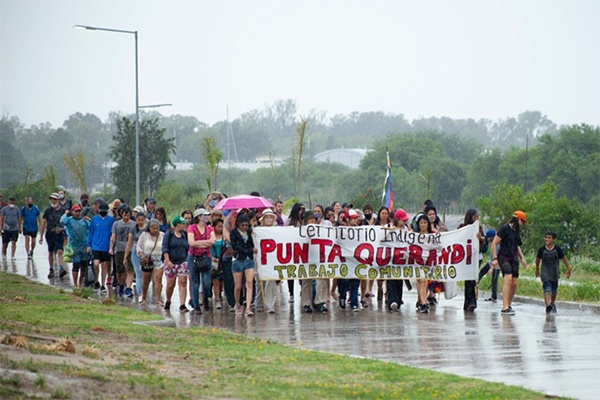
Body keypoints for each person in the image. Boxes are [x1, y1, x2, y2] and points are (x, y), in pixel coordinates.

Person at [491, 211, 528, 316]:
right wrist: (495, 258)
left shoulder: (516, 231)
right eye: (522, 221)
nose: (522, 224)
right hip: (504, 257)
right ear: (518, 220)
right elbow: (494, 242)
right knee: (508, 278)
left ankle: (509, 304)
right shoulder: (504, 228)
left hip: (514, 258)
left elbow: (517, 245)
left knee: (514, 282)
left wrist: (522, 258)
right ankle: (504, 307)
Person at [535, 231, 572, 314]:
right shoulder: (542, 250)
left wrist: (568, 269)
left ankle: (552, 303)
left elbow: (564, 259)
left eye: (549, 238)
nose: (547, 239)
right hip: (545, 273)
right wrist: (537, 269)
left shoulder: (557, 249)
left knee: (554, 290)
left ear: (553, 240)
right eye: (545, 237)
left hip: (554, 273)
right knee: (547, 289)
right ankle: (548, 306)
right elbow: (537, 260)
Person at [299, 211, 328, 313]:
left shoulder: (321, 230)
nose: (312, 221)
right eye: (310, 219)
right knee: (306, 281)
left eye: (314, 219)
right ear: (305, 221)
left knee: (321, 279)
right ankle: (306, 303)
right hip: (305, 258)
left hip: (319, 257)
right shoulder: (300, 231)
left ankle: (320, 302)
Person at [188, 208, 215, 314]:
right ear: (199, 217)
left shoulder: (209, 228)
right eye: (205, 215)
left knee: (206, 282)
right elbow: (191, 243)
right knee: (195, 282)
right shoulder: (191, 228)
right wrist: (205, 243)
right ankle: (196, 306)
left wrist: (198, 242)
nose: (207, 217)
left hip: (206, 256)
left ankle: (205, 299)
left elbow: (212, 241)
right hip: (193, 257)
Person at [457, 209, 486, 312]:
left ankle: (472, 302)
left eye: (478, 217)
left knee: (472, 278)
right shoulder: (462, 227)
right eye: (475, 217)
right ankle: (469, 302)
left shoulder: (479, 227)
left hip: (476, 256)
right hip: (465, 257)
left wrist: (480, 237)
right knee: (468, 279)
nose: (476, 219)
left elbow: (484, 239)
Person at [230, 214, 257, 316]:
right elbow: (235, 247)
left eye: (246, 225)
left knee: (249, 283)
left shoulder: (250, 233)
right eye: (243, 225)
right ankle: (237, 303)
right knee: (238, 286)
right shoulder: (234, 233)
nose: (245, 227)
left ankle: (248, 307)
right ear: (238, 224)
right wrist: (249, 250)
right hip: (238, 259)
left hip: (249, 260)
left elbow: (254, 243)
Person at [162, 216, 191, 311]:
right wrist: (168, 261)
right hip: (171, 262)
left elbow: (188, 247)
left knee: (183, 282)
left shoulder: (185, 235)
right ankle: (168, 300)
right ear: (177, 224)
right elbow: (165, 248)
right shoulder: (169, 234)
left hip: (183, 261)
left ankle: (182, 304)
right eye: (182, 223)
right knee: (170, 284)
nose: (184, 225)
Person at [60, 204, 90, 288]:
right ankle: (75, 284)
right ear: (72, 211)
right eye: (76, 211)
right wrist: (66, 213)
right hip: (74, 247)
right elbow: (62, 221)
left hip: (84, 247)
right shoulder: (69, 220)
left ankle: (80, 283)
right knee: (76, 266)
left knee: (84, 266)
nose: (77, 213)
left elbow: (91, 228)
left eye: (79, 211)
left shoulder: (84, 221)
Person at [87, 201, 114, 293]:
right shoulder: (94, 220)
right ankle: (96, 281)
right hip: (96, 246)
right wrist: (89, 245)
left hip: (106, 246)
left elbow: (112, 234)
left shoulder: (110, 220)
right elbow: (91, 233)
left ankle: (102, 284)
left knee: (104, 266)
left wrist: (111, 246)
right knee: (95, 264)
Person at [110, 205, 136, 298]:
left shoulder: (134, 224)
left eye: (128, 215)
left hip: (131, 250)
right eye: (125, 215)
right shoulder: (116, 224)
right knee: (119, 271)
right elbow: (113, 237)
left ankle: (128, 287)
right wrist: (111, 248)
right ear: (122, 214)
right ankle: (121, 284)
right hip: (119, 249)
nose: (126, 217)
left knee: (129, 269)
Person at [136, 219, 164, 305]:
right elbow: (139, 247)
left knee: (158, 280)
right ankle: (144, 297)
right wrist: (142, 256)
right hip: (147, 260)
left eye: (157, 228)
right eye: (153, 228)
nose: (155, 230)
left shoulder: (162, 235)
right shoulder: (144, 235)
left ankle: (158, 299)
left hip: (159, 260)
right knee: (146, 280)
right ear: (149, 228)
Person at [386, 209, 410, 312]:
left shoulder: (406, 229)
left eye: (405, 220)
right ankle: (392, 301)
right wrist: (389, 230)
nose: (404, 222)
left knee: (399, 280)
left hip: (401, 260)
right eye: (402, 220)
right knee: (391, 279)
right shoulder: (388, 227)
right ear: (397, 219)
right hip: (390, 259)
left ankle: (398, 301)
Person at [39, 193, 67, 279]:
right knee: (51, 252)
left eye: (55, 199)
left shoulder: (63, 211)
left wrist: (63, 230)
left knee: (60, 251)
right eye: (52, 199)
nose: (53, 201)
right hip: (50, 233)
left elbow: (66, 223)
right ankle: (51, 269)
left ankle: (61, 268)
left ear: (58, 200)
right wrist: (41, 236)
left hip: (59, 234)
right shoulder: (48, 211)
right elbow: (43, 223)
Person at [338, 209, 361, 312]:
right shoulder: (340, 230)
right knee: (344, 280)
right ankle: (342, 296)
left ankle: (354, 303)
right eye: (353, 218)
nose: (355, 220)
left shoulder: (360, 231)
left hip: (356, 260)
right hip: (344, 260)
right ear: (347, 219)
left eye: (356, 218)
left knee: (355, 282)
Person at [124, 212, 147, 297]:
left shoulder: (148, 228)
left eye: (142, 220)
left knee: (146, 273)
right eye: (138, 220)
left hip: (146, 252)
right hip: (135, 252)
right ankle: (140, 293)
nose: (140, 222)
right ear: (136, 220)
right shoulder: (133, 229)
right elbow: (129, 243)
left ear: (144, 220)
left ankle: (144, 291)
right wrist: (125, 256)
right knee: (138, 272)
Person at [285, 203, 305, 303]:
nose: (301, 212)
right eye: (300, 210)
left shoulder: (303, 221)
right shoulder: (289, 221)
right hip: (291, 249)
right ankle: (291, 293)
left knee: (302, 271)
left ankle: (302, 288)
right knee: (290, 272)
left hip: (302, 249)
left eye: (302, 210)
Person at [415, 214, 434, 313]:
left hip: (430, 263)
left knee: (425, 282)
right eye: (421, 222)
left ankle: (420, 300)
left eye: (425, 222)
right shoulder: (413, 236)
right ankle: (423, 303)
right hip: (417, 262)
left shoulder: (433, 235)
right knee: (423, 281)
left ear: (428, 224)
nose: (423, 224)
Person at [477, 229, 500, 302]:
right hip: (490, 263)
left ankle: (494, 297)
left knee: (494, 281)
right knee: (481, 272)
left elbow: (496, 257)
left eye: (489, 238)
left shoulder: (497, 245)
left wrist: (492, 268)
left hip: (495, 265)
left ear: (492, 237)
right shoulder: (494, 243)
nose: (488, 239)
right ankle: (475, 284)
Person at [210, 218, 226, 310]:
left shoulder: (225, 236)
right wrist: (213, 258)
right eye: (218, 226)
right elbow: (209, 249)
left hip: (224, 260)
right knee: (216, 281)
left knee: (222, 282)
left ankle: (220, 295)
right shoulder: (211, 237)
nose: (220, 228)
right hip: (215, 261)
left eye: (222, 226)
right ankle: (217, 299)